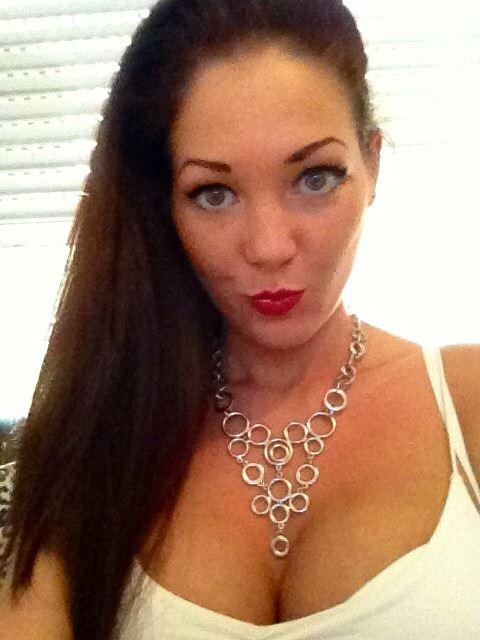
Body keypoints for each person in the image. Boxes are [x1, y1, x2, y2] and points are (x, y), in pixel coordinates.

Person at [1, 1, 479, 638]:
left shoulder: (466, 401)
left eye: (315, 178)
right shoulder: (102, 432)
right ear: (165, 206)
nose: (269, 247)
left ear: (372, 167)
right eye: (214, 193)